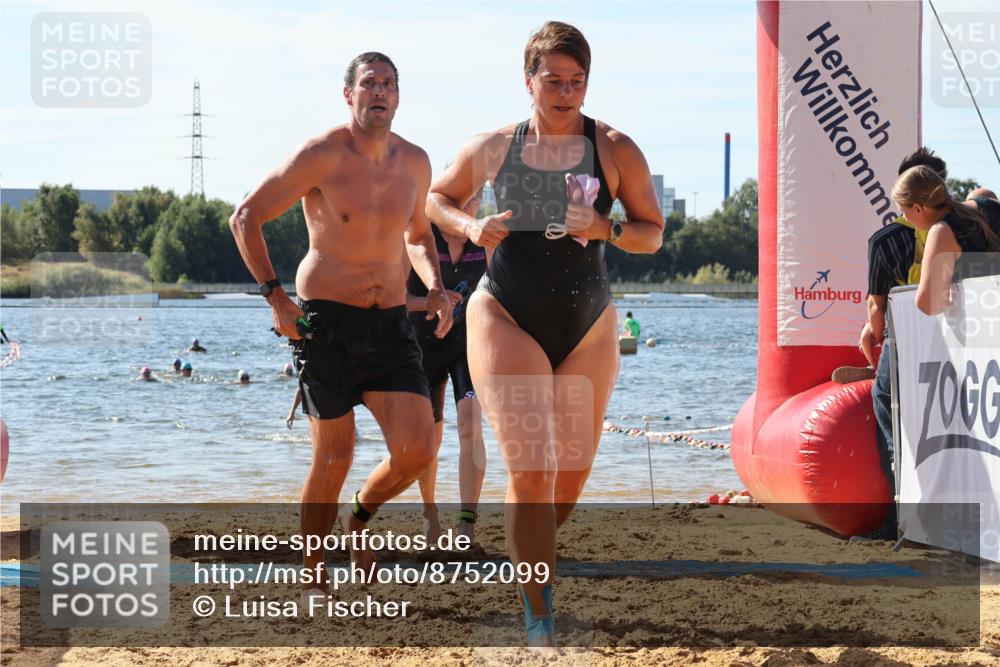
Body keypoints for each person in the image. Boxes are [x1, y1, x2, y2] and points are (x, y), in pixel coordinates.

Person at [426, 22, 664, 645]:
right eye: (553, 81)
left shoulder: (614, 148)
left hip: (589, 324)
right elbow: (435, 199)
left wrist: (605, 228)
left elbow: (652, 231)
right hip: (506, 313)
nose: (566, 93)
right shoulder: (496, 146)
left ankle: (530, 556)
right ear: (527, 81)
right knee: (531, 471)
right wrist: (470, 227)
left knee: (571, 474)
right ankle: (539, 617)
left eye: (577, 82)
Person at [229, 51, 453, 588]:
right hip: (325, 323)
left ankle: (357, 518)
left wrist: (439, 288)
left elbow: (419, 236)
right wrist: (275, 299)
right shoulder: (322, 155)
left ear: (399, 96)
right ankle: (313, 572)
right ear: (348, 94)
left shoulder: (416, 162)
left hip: (391, 323)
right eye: (369, 83)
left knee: (420, 449)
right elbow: (245, 217)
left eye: (389, 84)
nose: (380, 92)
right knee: (334, 456)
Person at [408, 190, 488, 543]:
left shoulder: (485, 242)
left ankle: (467, 521)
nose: (469, 207)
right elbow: (393, 296)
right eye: (463, 199)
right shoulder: (420, 235)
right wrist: (429, 300)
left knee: (471, 428)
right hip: (421, 347)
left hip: (466, 349)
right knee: (429, 440)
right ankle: (430, 511)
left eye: (476, 199)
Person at [892, 166, 1000, 315]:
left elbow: (927, 304)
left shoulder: (941, 232)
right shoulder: (986, 205)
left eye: (903, 212)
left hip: (986, 325)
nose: (904, 218)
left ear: (918, 208)